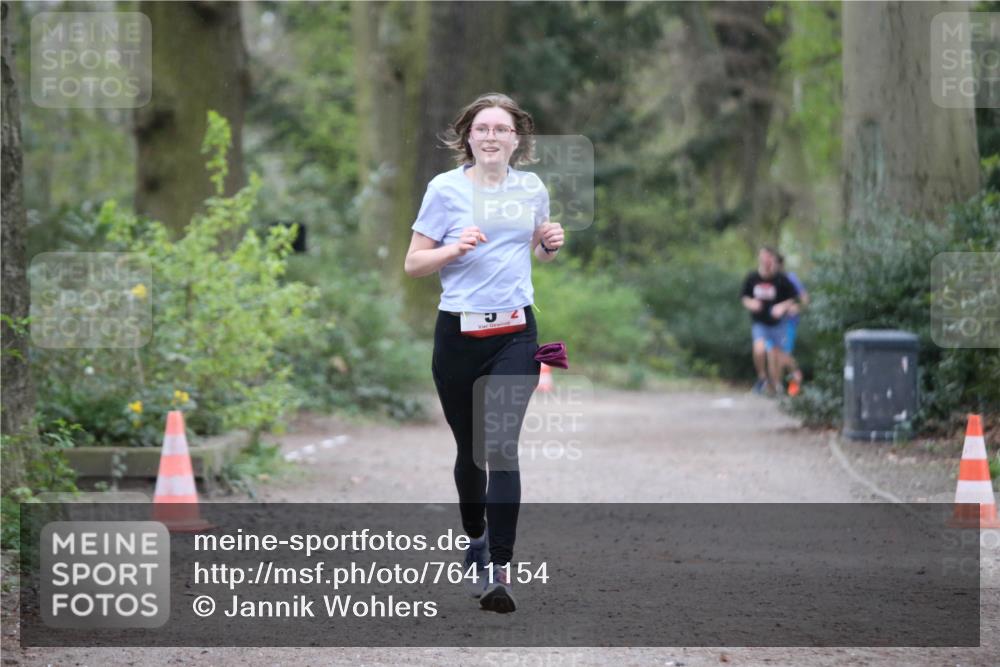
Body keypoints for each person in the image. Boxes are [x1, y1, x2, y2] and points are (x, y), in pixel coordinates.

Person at [403, 92, 564, 613]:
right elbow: (413, 264)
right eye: (482, 128)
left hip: (517, 332)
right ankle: (474, 536)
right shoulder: (444, 190)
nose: (491, 136)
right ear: (467, 136)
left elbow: (534, 252)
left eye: (501, 128)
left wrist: (548, 243)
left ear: (517, 138)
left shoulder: (532, 188)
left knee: (500, 447)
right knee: (470, 450)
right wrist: (453, 248)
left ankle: (499, 566)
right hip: (457, 335)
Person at [740, 246, 799, 395]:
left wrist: (784, 307)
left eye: (770, 258)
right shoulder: (752, 277)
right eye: (764, 257)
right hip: (760, 323)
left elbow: (797, 299)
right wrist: (751, 303)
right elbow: (744, 297)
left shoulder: (783, 279)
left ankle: (786, 384)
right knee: (760, 350)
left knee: (781, 358)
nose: (767, 261)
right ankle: (764, 380)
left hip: (781, 325)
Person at [776, 253, 809, 396]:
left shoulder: (791, 279)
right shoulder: (769, 281)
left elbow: (805, 298)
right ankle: (776, 387)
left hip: (788, 322)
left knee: (784, 355)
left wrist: (797, 307)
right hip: (774, 324)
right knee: (776, 354)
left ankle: (794, 383)